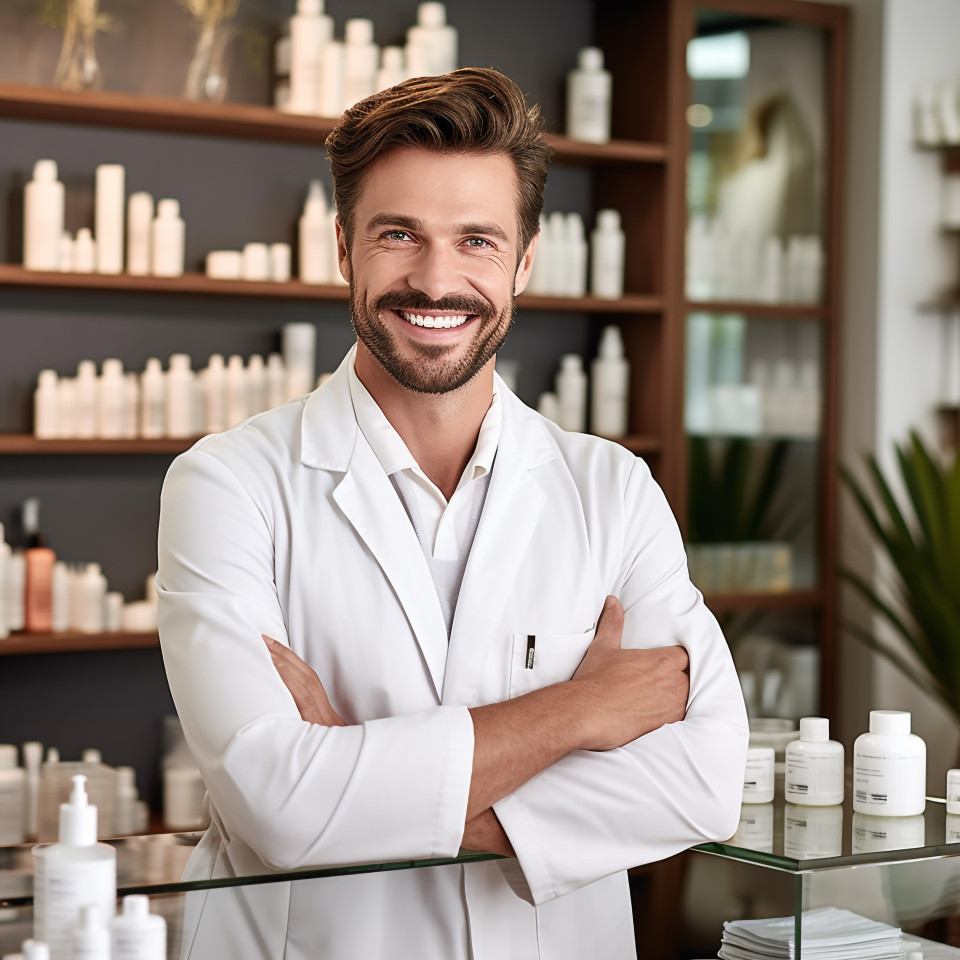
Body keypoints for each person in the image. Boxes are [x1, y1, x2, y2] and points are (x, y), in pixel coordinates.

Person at [157, 67, 748, 960]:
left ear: (524, 259)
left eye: (477, 240)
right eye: (399, 234)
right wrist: (577, 714)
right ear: (344, 248)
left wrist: (360, 779)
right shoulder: (227, 485)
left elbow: (704, 782)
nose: (437, 280)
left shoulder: (613, 490)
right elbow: (277, 808)